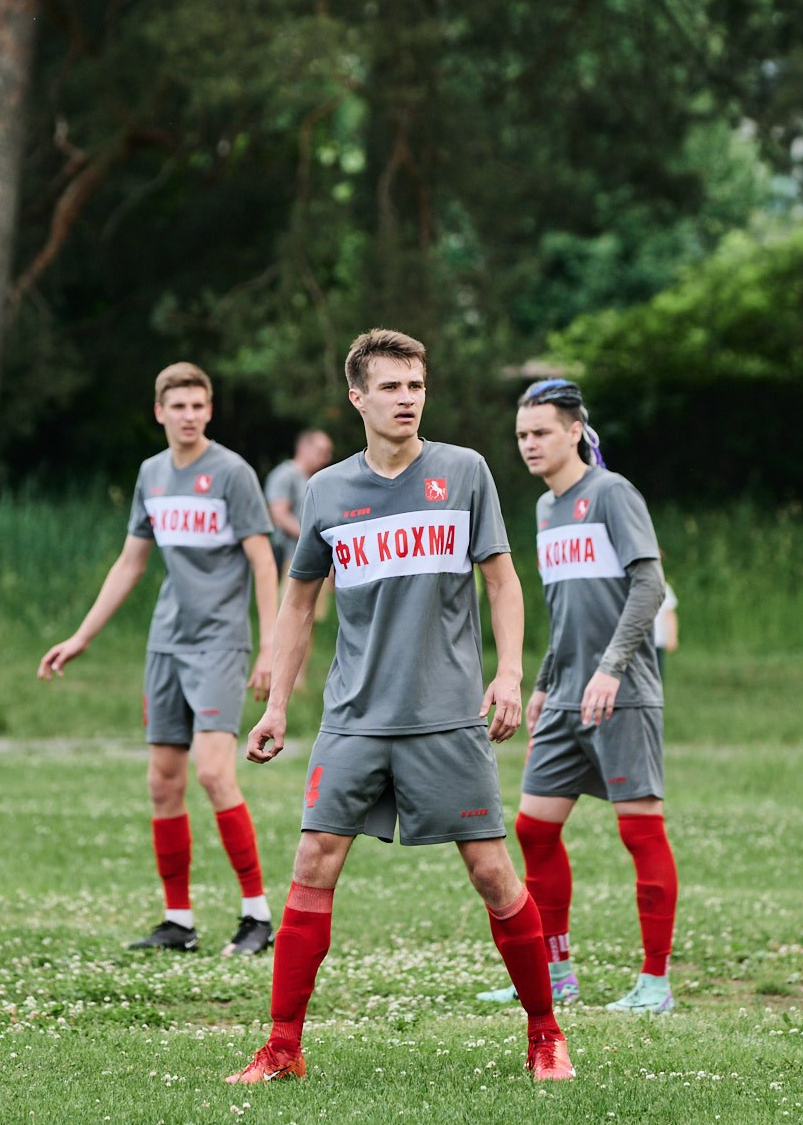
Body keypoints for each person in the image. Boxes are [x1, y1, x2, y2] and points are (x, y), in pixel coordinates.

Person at [230, 329, 573, 1084]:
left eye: (416, 385)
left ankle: (546, 1034)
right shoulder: (327, 491)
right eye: (391, 386)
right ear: (358, 397)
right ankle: (282, 1045)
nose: (408, 398)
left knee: (492, 871)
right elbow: (295, 607)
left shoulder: (465, 471)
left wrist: (510, 672)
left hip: (447, 718)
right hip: (353, 718)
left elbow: (504, 583)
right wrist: (277, 706)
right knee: (312, 863)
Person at [40, 363, 281, 956]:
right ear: (160, 411)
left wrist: (270, 647)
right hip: (165, 643)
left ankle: (257, 918)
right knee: (162, 782)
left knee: (214, 773)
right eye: (178, 406)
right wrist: (82, 636)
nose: (189, 414)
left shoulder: (232, 472)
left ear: (209, 409)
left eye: (198, 405)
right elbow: (131, 563)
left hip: (221, 641)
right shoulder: (151, 474)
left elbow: (264, 563)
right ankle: (179, 922)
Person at [476, 379, 678, 1015]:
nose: (529, 444)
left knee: (640, 832)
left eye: (540, 432)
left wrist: (612, 668)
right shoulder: (544, 510)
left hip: (623, 694)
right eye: (521, 436)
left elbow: (649, 587)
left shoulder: (613, 494)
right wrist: (541, 684)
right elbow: (565, 613)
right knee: (534, 830)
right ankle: (554, 972)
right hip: (565, 696)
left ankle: (654, 984)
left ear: (573, 432)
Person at [263, 430, 333, 573]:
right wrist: (312, 537)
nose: (327, 457)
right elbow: (279, 515)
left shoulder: (318, 479)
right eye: (321, 451)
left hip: (315, 558)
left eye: (328, 452)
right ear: (303, 448)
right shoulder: (285, 475)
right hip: (289, 557)